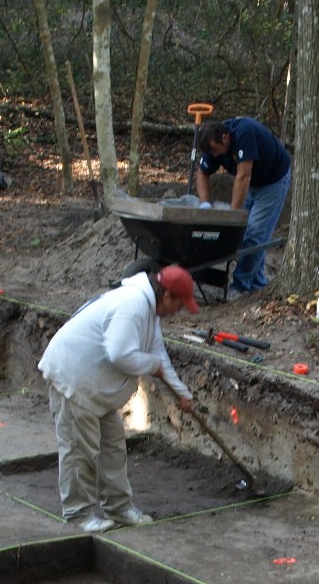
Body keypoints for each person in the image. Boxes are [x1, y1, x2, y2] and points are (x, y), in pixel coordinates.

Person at [39, 265, 198, 534]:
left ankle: (119, 507)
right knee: (80, 451)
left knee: (113, 448)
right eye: (180, 305)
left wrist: (182, 393)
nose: (178, 311)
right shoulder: (133, 304)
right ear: (167, 296)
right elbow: (120, 354)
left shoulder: (150, 310)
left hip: (97, 387)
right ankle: (79, 514)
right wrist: (151, 365)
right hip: (74, 379)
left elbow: (157, 352)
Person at [194, 117, 292, 295]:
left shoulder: (244, 133)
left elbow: (243, 176)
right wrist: (205, 204)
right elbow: (202, 173)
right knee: (246, 233)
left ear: (225, 137)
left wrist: (233, 217)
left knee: (254, 233)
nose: (215, 155)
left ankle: (240, 287)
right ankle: (258, 284)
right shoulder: (212, 142)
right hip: (252, 183)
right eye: (212, 152)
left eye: (216, 150)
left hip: (273, 181)